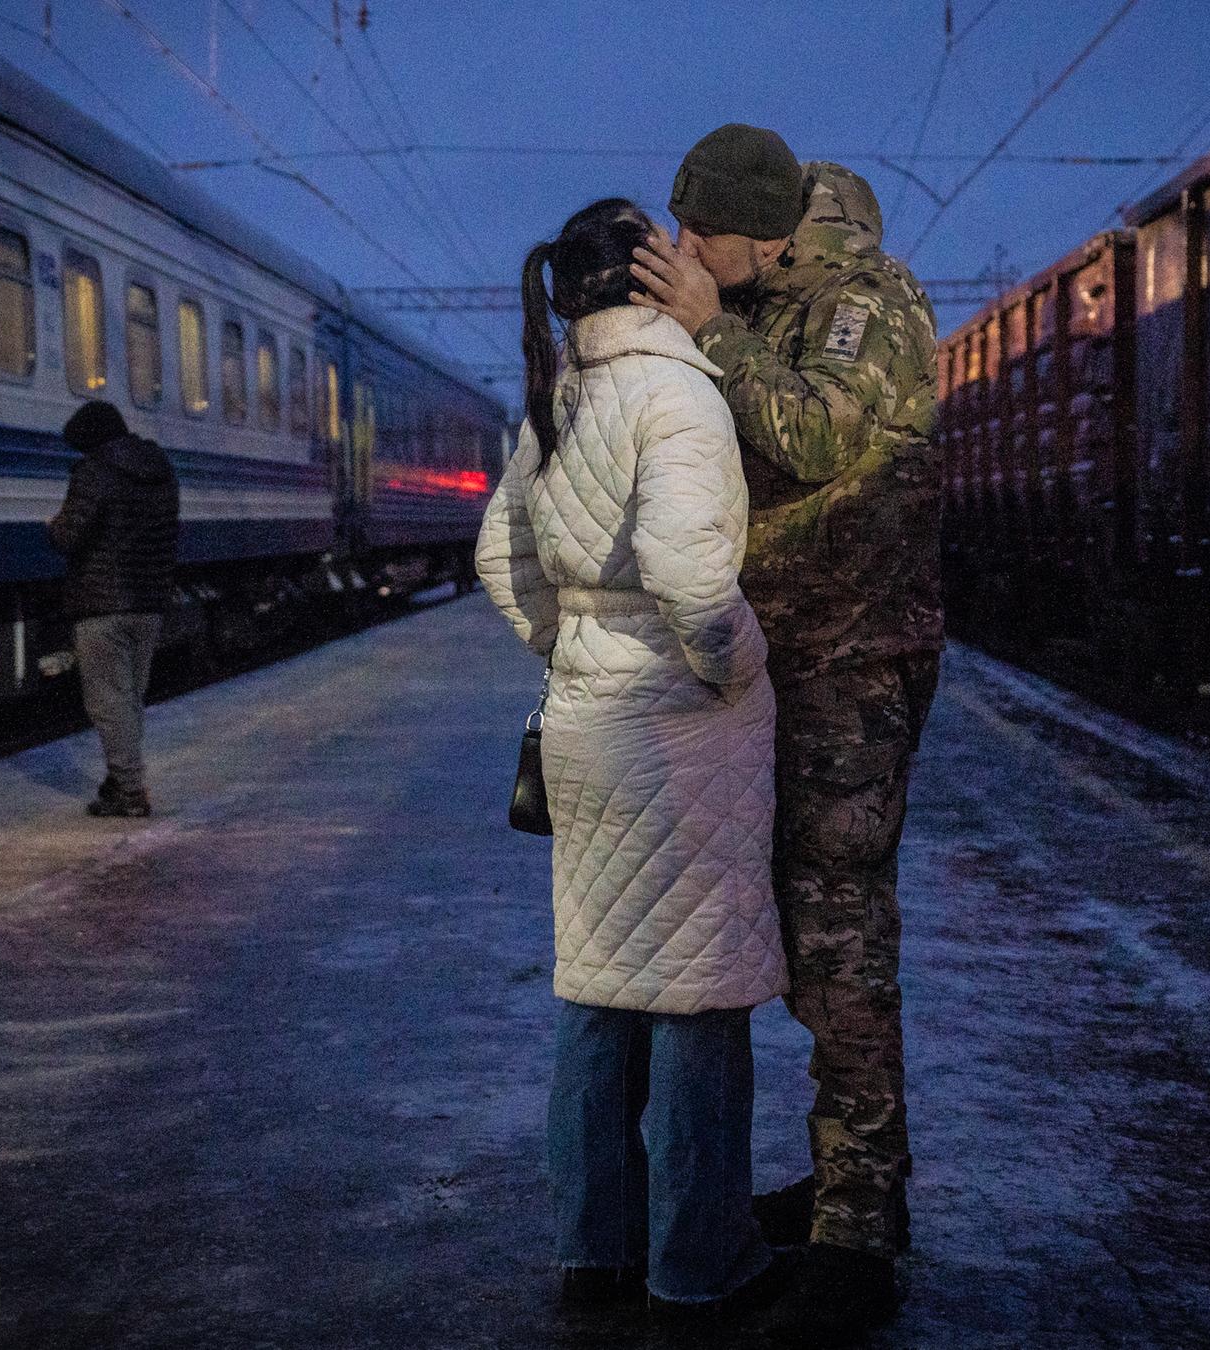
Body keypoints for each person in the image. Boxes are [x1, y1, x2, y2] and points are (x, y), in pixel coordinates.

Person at [630, 124, 942, 1345]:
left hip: (854, 665)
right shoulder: (773, 298)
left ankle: (859, 1233)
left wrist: (711, 326)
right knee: (810, 936)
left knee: (842, 934)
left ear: (761, 235)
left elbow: (816, 439)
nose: (684, 255)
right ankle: (851, 1185)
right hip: (792, 660)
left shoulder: (869, 300)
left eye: (698, 239)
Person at [473, 198, 788, 1318]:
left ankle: (592, 1250)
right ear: (651, 279)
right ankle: (699, 1261)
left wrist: (574, 650)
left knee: (599, 990)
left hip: (587, 725)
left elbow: (502, 560)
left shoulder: (560, 395)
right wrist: (736, 664)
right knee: (697, 1000)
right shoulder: (679, 396)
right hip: (679, 732)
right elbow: (693, 579)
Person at [47, 399, 179, 818]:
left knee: (108, 702)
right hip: (149, 602)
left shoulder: (94, 472)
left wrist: (52, 528)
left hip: (101, 604)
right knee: (129, 699)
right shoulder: (161, 472)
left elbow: (70, 536)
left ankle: (129, 790)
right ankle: (120, 778)